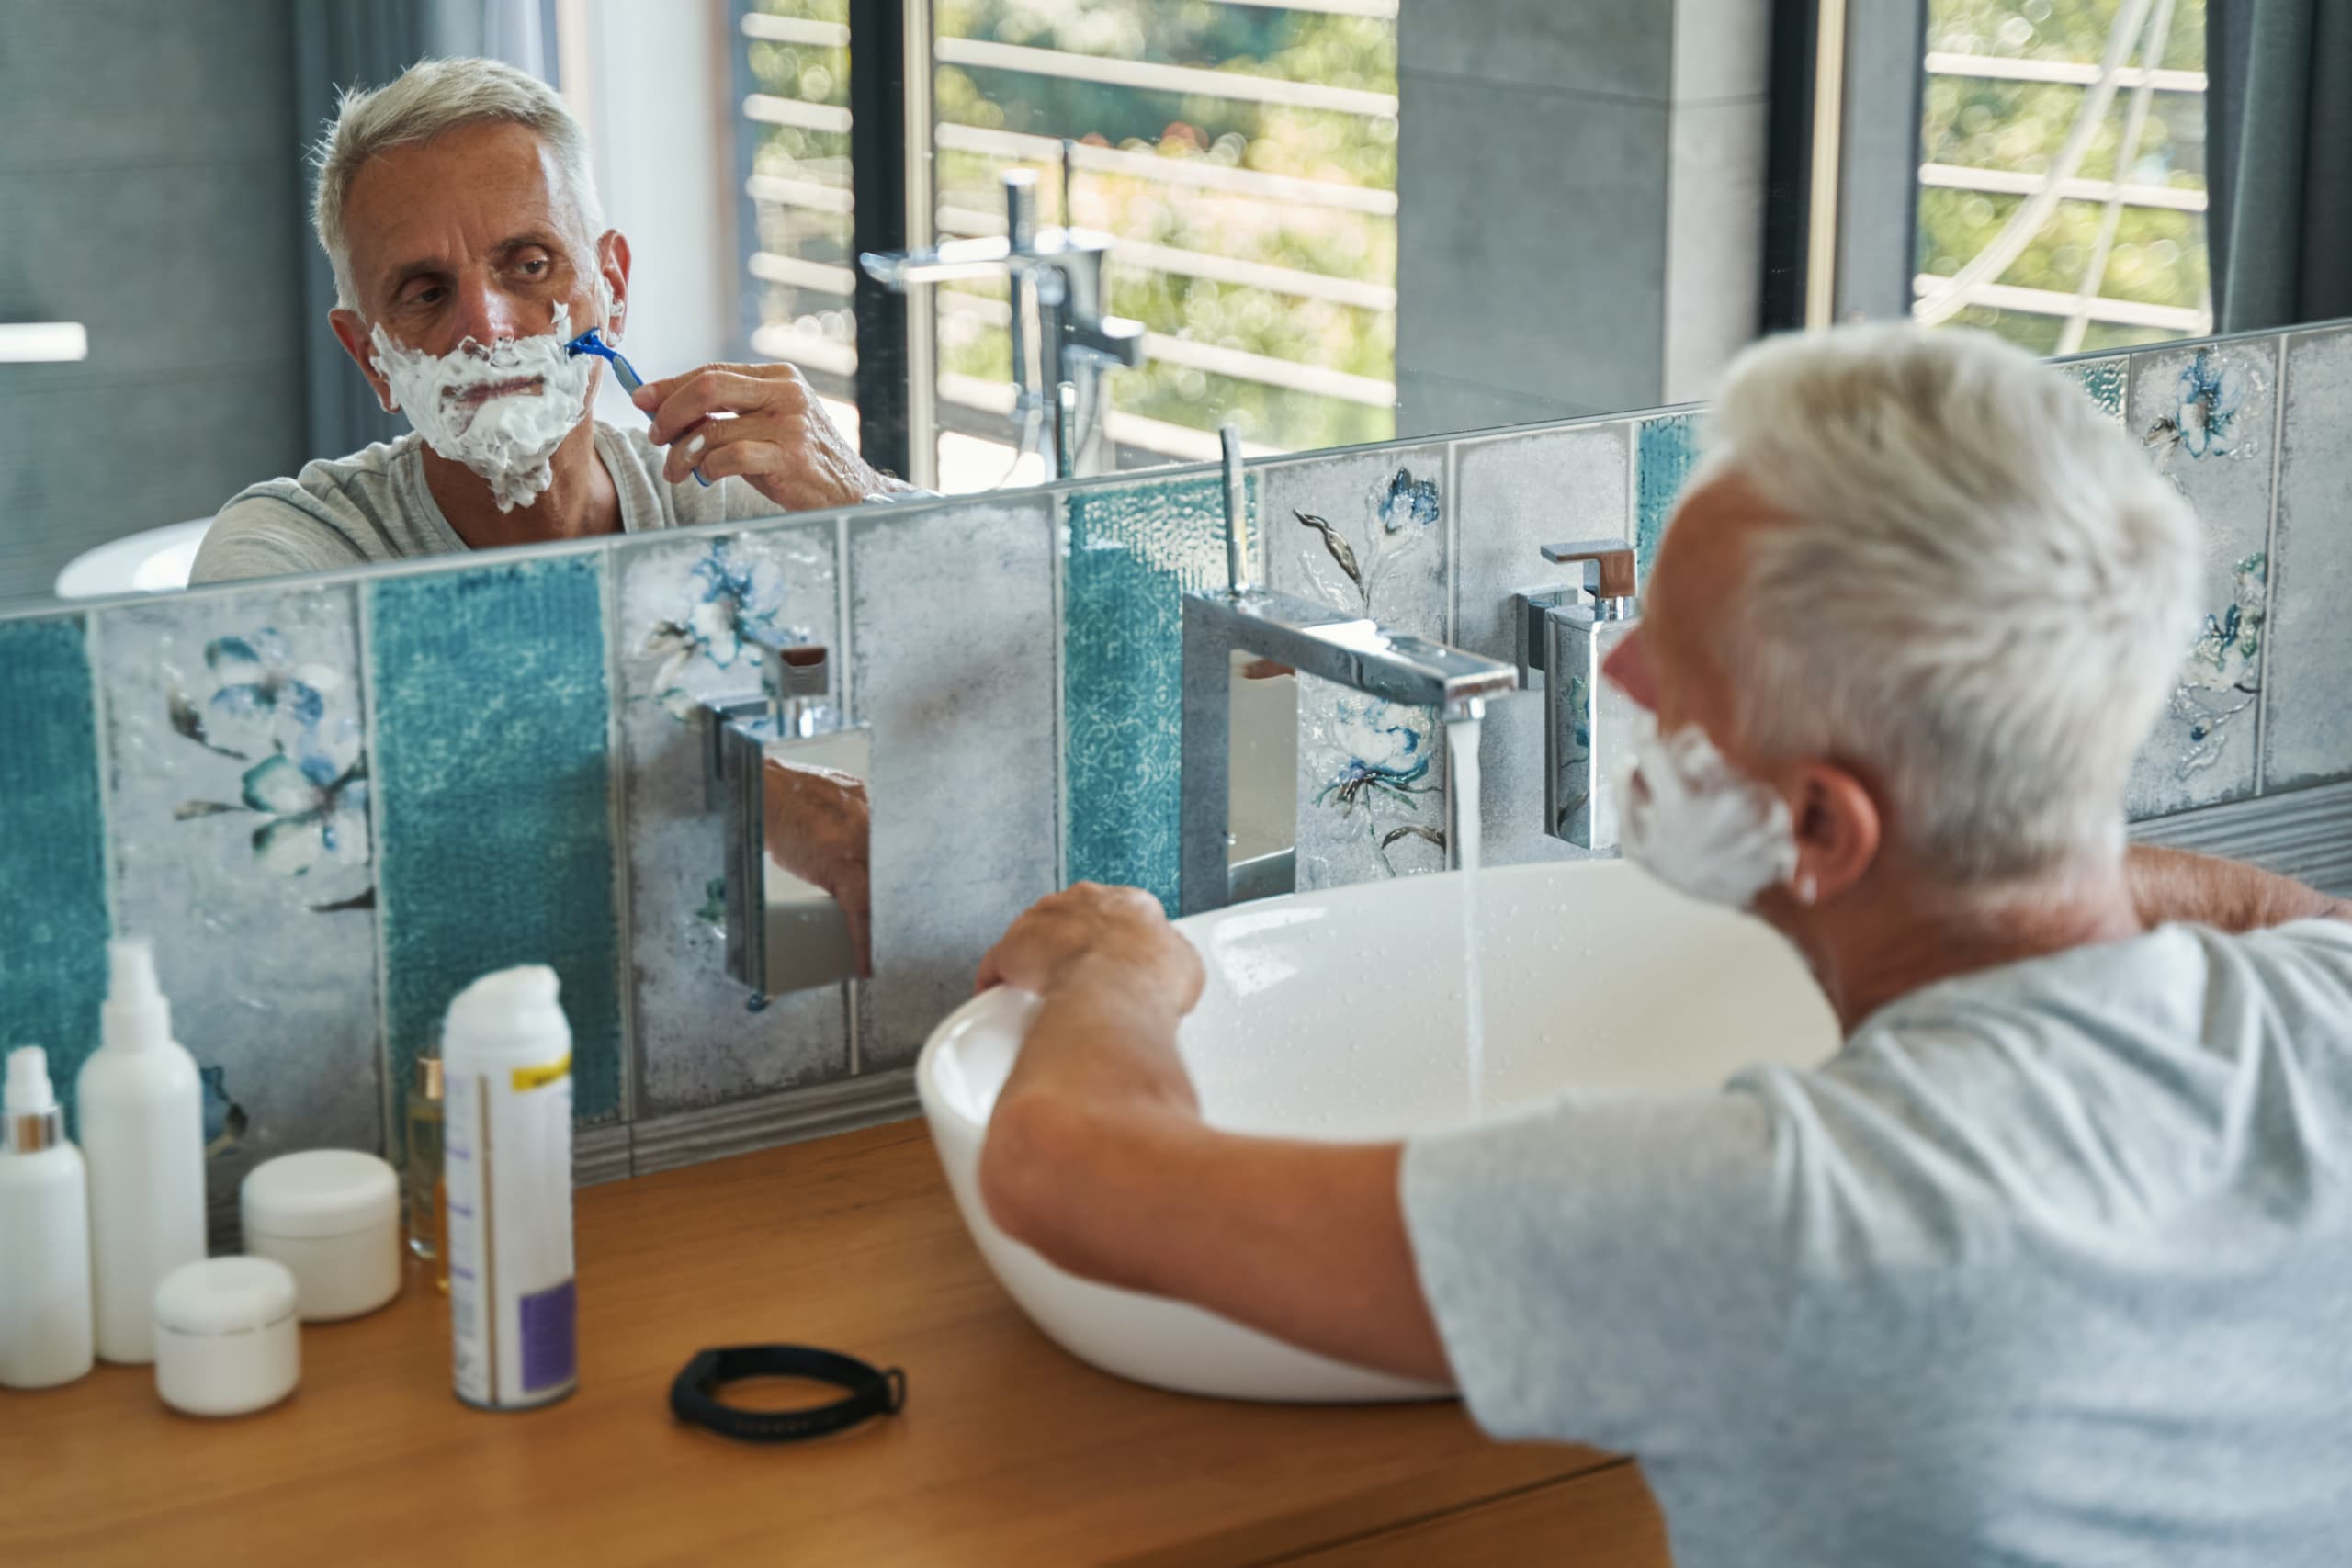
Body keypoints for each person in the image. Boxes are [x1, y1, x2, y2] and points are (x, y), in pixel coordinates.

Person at [969, 324, 2352, 1565]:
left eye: (1676, 657)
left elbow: (1068, 1173)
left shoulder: (1770, 1212)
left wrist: (1120, 969)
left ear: (1817, 821)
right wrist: (2014, 860)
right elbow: (2304, 920)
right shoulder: (2322, 1016)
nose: (1619, 673)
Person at [191, 58, 915, 587]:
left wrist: (869, 508)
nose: (490, 326)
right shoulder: (293, 558)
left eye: (530, 264)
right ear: (370, 356)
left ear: (615, 289)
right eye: (427, 293)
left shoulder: (740, 497)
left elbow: (1009, 659)